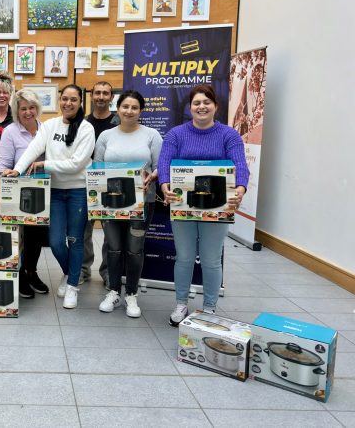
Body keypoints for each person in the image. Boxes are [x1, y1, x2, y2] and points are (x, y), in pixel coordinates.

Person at [159, 84, 249, 326]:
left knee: (210, 259)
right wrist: (165, 185)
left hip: (217, 207)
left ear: (215, 106)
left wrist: (240, 189)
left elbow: (240, 165)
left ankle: (209, 308)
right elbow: (164, 162)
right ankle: (180, 304)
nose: (201, 106)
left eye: (206, 102)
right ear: (190, 108)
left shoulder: (229, 135)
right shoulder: (176, 134)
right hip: (182, 205)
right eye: (197, 103)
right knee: (185, 257)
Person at [4, 84, 95, 309]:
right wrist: (17, 169)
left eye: (74, 99)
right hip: (54, 191)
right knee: (55, 242)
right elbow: (33, 148)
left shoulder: (86, 128)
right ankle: (70, 273)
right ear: (59, 100)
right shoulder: (51, 125)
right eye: (65, 99)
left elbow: (77, 164)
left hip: (78, 191)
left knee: (74, 240)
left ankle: (73, 284)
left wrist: (46, 164)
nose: (68, 103)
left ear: (80, 102)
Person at [94, 90, 162, 317]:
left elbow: (160, 165)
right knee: (113, 248)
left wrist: (153, 176)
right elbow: (97, 167)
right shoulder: (106, 136)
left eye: (134, 107)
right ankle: (113, 290)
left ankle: (131, 294)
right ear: (118, 108)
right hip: (110, 202)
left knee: (134, 250)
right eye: (125, 106)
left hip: (141, 203)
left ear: (140, 111)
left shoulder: (152, 135)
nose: (129, 111)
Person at [0, 89, 50, 299]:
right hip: (17, 195)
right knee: (18, 236)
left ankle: (31, 271)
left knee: (36, 236)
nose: (28, 112)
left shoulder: (46, 129)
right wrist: (0, 196)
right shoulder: (10, 132)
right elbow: (3, 165)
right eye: (23, 109)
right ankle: (18, 274)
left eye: (31, 107)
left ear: (37, 108)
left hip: (41, 194)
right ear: (16, 112)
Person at [81, 81, 119, 286]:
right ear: (92, 96)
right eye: (97, 93)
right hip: (85, 184)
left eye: (106, 93)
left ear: (112, 97)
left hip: (112, 184)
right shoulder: (84, 122)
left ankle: (107, 271)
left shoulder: (119, 122)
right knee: (84, 230)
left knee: (110, 232)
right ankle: (84, 269)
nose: (101, 97)